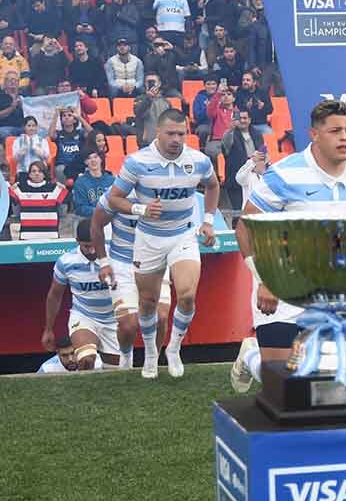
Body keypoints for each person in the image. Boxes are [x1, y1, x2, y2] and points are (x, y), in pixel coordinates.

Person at [230, 99, 346, 393]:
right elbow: (244, 228)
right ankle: (251, 354)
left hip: (331, 290)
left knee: (327, 385)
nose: (345, 137)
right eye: (335, 130)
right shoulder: (284, 174)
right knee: (283, 389)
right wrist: (264, 279)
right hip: (281, 284)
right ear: (314, 134)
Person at [99, 109, 220, 379]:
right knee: (148, 301)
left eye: (182, 133)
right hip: (149, 239)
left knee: (187, 294)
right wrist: (140, 209)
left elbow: (213, 186)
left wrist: (209, 221)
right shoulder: (137, 162)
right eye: (171, 133)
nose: (177, 139)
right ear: (158, 132)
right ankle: (151, 354)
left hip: (183, 235)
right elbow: (115, 198)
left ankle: (173, 348)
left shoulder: (198, 160)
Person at [91, 191, 172, 370]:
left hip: (156, 261)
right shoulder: (115, 193)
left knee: (161, 317)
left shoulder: (163, 191)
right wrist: (104, 262)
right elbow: (96, 223)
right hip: (122, 264)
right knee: (129, 325)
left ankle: (153, 361)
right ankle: (125, 360)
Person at [43, 218, 121, 370]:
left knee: (116, 371)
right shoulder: (66, 262)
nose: (92, 250)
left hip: (113, 319)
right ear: (77, 241)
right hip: (84, 316)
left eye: (94, 245)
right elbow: (54, 296)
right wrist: (48, 328)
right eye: (86, 246)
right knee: (86, 359)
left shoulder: (116, 256)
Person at [11, 160, 67, 239]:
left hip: (50, 235)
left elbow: (68, 204)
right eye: (34, 171)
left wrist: (63, 188)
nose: (37, 173)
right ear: (29, 174)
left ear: (44, 174)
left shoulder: (54, 188)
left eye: (40, 171)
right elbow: (7, 203)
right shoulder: (20, 188)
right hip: (27, 236)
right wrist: (10, 189)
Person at [221, 108, 265, 209]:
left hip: (254, 179)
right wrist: (231, 129)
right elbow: (225, 146)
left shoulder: (257, 134)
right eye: (239, 118)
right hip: (236, 179)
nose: (242, 121)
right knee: (238, 213)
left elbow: (262, 153)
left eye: (245, 118)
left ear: (249, 120)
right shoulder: (230, 135)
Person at [49, 106, 89, 182]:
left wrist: (79, 116)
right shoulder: (58, 133)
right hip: (63, 165)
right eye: (64, 116)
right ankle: (63, 192)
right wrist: (56, 115)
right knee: (59, 169)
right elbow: (51, 135)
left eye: (69, 115)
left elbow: (92, 133)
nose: (66, 117)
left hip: (78, 165)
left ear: (74, 120)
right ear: (61, 120)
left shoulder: (80, 132)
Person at [37, 332, 103, 372]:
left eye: (73, 353)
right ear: (58, 354)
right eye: (64, 355)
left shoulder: (99, 362)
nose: (70, 359)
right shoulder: (47, 368)